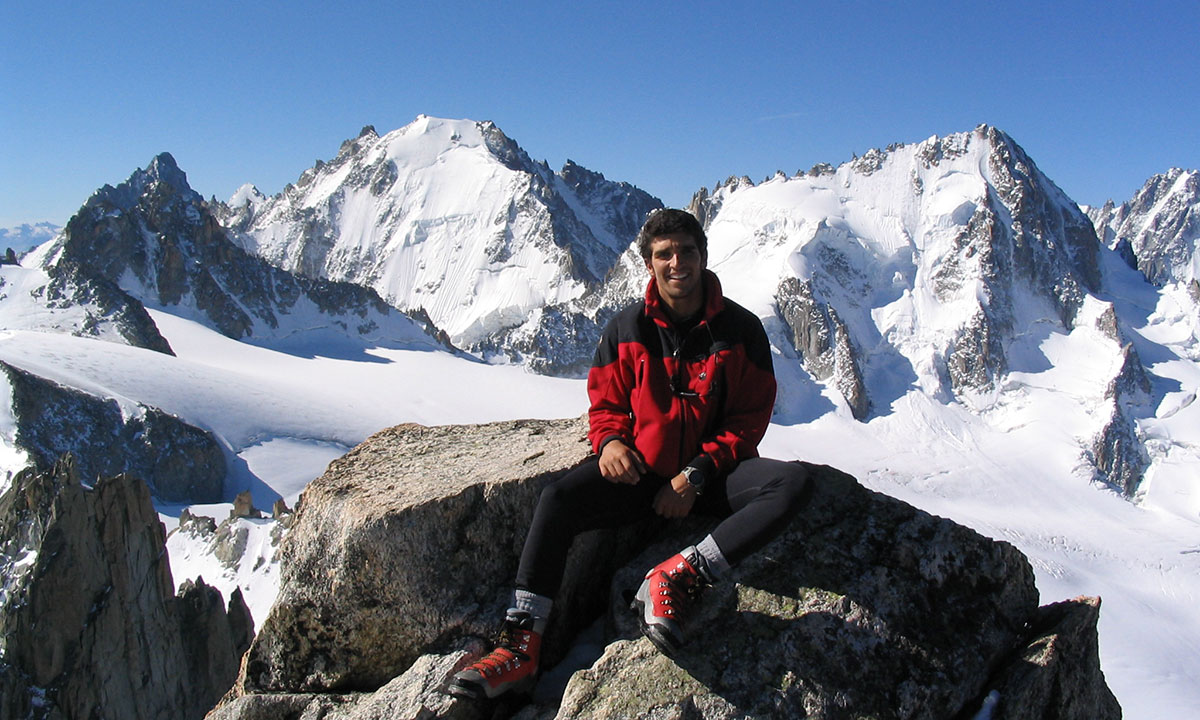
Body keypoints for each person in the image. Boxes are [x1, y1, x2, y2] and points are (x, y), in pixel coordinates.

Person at [449, 208, 811, 700]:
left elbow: (747, 421)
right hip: (637, 475)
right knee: (558, 499)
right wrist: (611, 442)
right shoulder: (627, 328)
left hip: (708, 478)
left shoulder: (742, 330)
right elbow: (605, 402)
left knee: (790, 483)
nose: (676, 262)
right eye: (665, 254)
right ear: (649, 264)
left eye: (686, 251)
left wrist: (696, 475)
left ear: (703, 256)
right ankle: (521, 646)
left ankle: (678, 577)